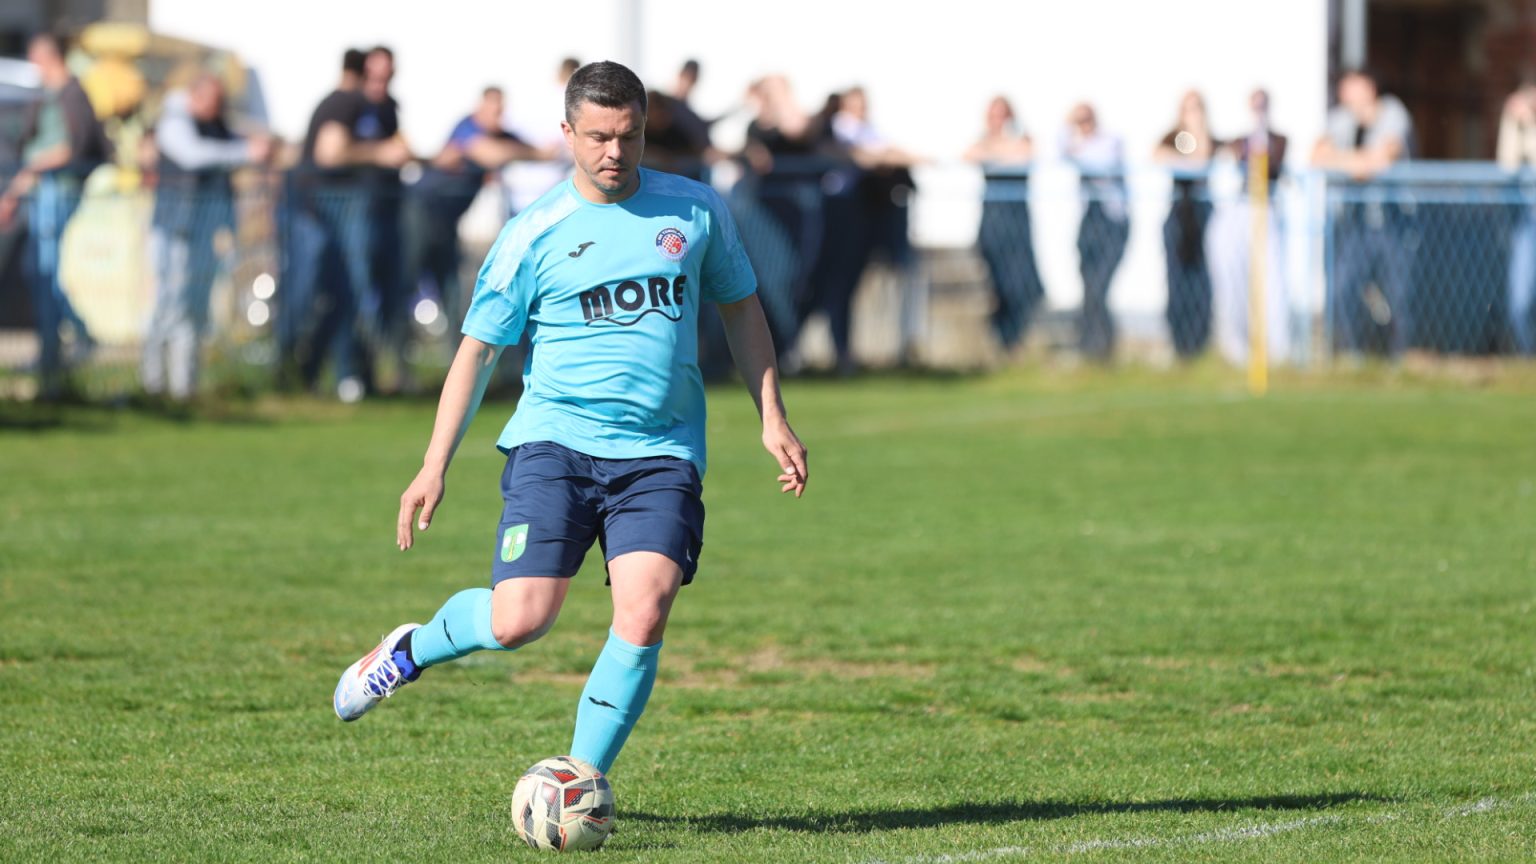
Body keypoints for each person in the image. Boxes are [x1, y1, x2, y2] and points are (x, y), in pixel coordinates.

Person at [332, 62, 808, 782]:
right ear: (566, 133)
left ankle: (579, 782)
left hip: (660, 452)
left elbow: (741, 308)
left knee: (644, 612)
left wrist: (771, 415)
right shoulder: (532, 233)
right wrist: (434, 464)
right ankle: (409, 649)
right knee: (519, 619)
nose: (614, 152)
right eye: (597, 137)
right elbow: (477, 353)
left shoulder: (695, 210)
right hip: (555, 446)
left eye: (629, 136)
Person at [284, 47, 410, 399]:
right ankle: (326, 373)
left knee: (361, 296)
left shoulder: (386, 109)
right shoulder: (344, 104)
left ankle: (354, 375)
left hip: (371, 215)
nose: (381, 82)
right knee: (339, 295)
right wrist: (380, 153)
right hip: (330, 216)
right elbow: (330, 153)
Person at [140, 73, 273, 401]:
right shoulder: (174, 122)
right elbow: (193, 155)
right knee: (170, 306)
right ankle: (153, 385)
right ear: (196, 96)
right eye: (214, 101)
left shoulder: (216, 126)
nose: (219, 108)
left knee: (195, 311)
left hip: (202, 233)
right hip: (173, 230)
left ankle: (184, 387)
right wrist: (245, 151)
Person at [0, 32, 112, 400]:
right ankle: (59, 345)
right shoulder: (46, 94)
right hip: (39, 188)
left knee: (44, 270)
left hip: (58, 189)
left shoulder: (72, 94)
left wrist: (29, 172)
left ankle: (58, 350)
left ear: (48, 57)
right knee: (37, 271)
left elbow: (69, 148)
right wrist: (15, 191)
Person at [407, 86, 543, 330]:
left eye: (500, 111)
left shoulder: (500, 135)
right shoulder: (467, 126)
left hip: (447, 223)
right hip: (419, 211)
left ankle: (454, 348)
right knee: (408, 279)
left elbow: (538, 152)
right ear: (480, 108)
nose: (496, 117)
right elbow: (490, 154)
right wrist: (516, 153)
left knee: (451, 286)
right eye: (492, 110)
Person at [1311, 68, 1415, 356]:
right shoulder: (1341, 119)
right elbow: (1317, 157)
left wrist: (1344, 161)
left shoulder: (1393, 114)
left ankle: (1400, 358)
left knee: (1397, 294)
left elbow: (1382, 160)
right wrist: (1359, 163)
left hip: (1391, 222)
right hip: (1354, 223)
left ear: (1369, 88)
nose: (1345, 95)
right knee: (1342, 288)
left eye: (1351, 88)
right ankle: (1353, 354)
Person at [1208, 88, 1291, 367]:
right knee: (1232, 279)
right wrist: (1188, 134)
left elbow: (1271, 164)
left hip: (1265, 209)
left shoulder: (1278, 140)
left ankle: (1277, 348)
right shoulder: (1234, 142)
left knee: (1271, 280)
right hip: (1236, 211)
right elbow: (1190, 145)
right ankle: (1235, 346)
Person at [966, 95, 1045, 355]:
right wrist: (1004, 153)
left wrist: (994, 155)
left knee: (1021, 281)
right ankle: (1004, 343)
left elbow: (1026, 157)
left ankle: (1014, 341)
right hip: (992, 220)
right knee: (997, 283)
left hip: (1017, 220)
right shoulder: (982, 139)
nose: (998, 120)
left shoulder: (1022, 138)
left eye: (1003, 115)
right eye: (994, 115)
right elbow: (969, 155)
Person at [1060, 102, 1128, 361]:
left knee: (1099, 287)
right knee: (1088, 285)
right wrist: (1067, 125)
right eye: (1078, 121)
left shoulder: (1111, 141)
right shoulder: (1077, 143)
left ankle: (1103, 346)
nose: (1083, 126)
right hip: (1088, 220)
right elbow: (1059, 152)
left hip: (1112, 223)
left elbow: (1098, 163)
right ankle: (1089, 346)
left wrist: (1077, 147)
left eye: (1085, 120)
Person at [1153, 90, 1215, 359]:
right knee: (1176, 280)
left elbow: (1202, 158)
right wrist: (1186, 159)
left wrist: (1197, 131)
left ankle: (1199, 342)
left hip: (1202, 214)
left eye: (1197, 108)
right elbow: (1158, 155)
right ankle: (1179, 343)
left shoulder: (1208, 137)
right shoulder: (1175, 137)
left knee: (1201, 282)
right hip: (1179, 213)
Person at [1497, 79, 1536, 355]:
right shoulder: (1519, 124)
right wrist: (1511, 123)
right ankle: (1527, 357)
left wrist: (1531, 124)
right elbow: (1507, 165)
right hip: (1526, 222)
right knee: (1519, 301)